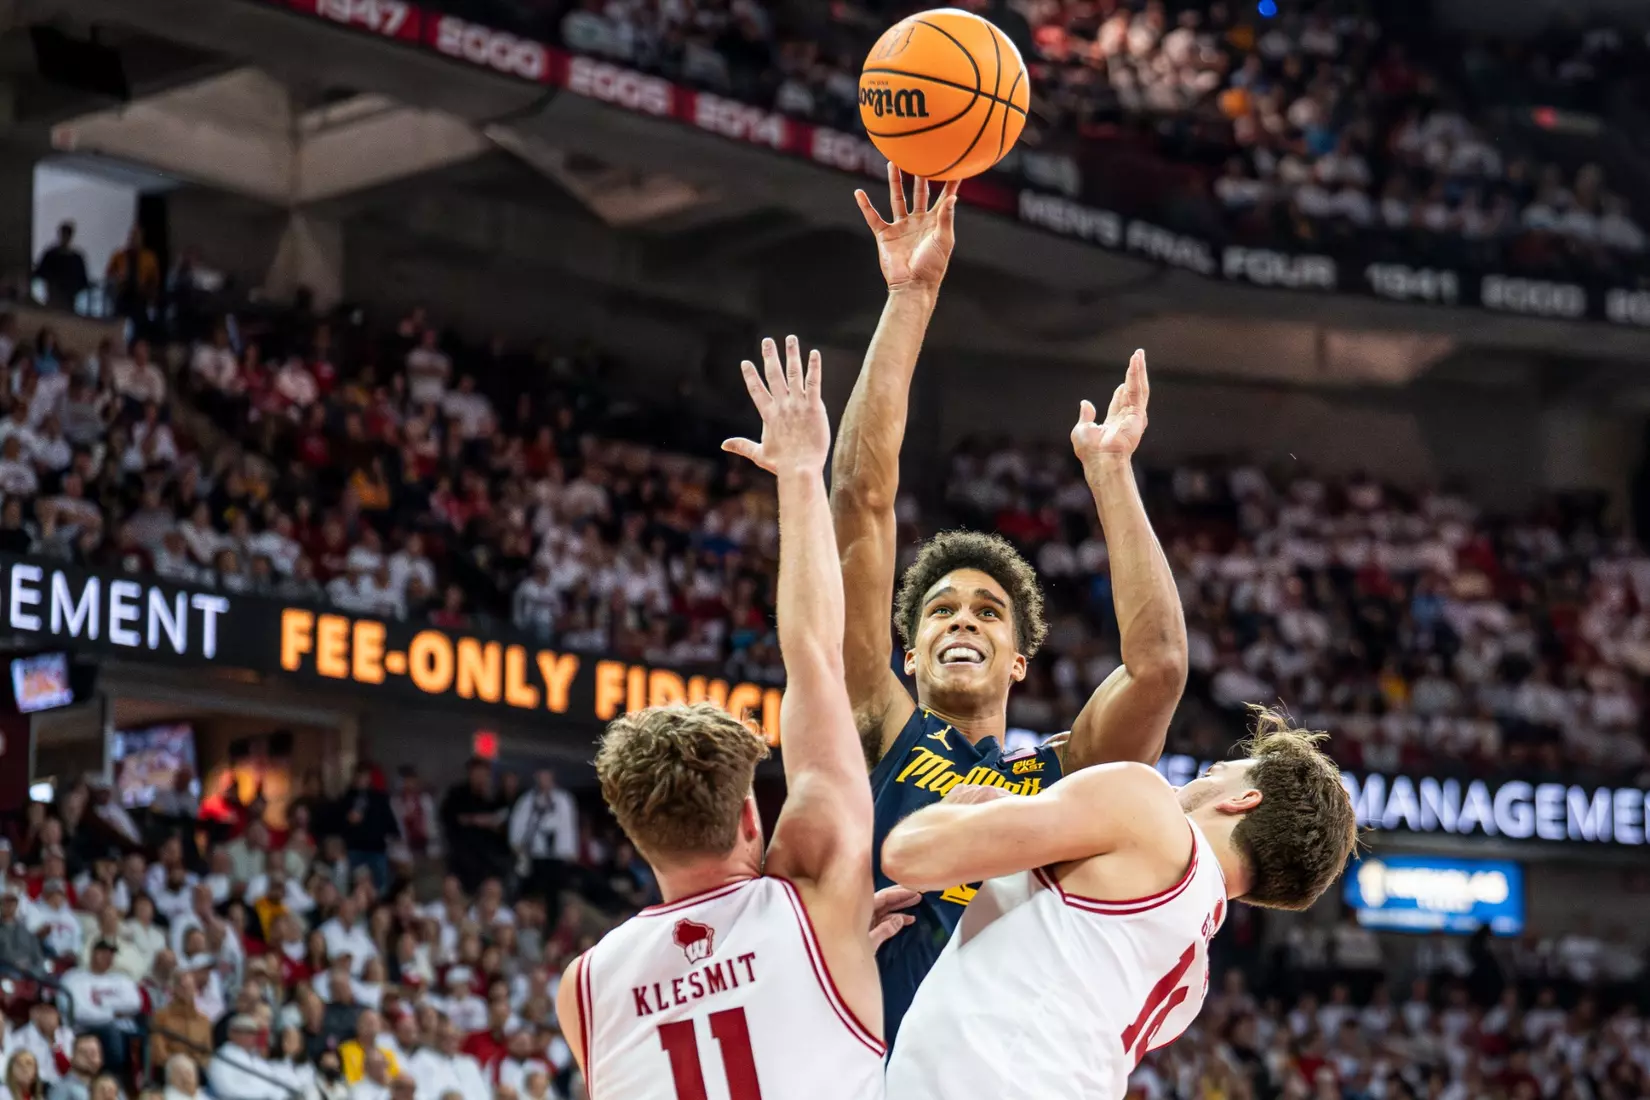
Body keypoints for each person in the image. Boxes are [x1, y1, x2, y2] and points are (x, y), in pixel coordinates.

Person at [834, 169, 1189, 1043]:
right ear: (906, 655)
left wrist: (1111, 474)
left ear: (1021, 660)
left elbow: (1159, 669)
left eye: (989, 613)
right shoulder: (879, 724)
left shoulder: (1060, 782)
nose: (962, 620)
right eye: (942, 611)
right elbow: (860, 504)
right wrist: (910, 299)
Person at [556, 336, 885, 1099]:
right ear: (748, 816)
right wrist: (802, 474)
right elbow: (815, 658)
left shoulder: (584, 987)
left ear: (635, 836)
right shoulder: (818, 889)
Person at [882, 709, 1359, 1099]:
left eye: (1213, 773)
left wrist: (959, 810)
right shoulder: (1191, 985)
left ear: (1242, 800)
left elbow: (910, 854)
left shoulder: (1146, 805)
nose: (1189, 783)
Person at [507, 770, 577, 918]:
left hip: (557, 857)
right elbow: (518, 825)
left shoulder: (563, 800)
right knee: (533, 893)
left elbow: (568, 826)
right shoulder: (528, 800)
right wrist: (516, 845)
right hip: (535, 856)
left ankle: (551, 922)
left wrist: (571, 850)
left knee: (554, 896)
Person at [33, 222, 88, 311]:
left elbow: (82, 278)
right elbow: (42, 272)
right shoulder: (51, 255)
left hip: (68, 295)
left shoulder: (76, 258)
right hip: (54, 293)